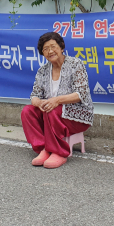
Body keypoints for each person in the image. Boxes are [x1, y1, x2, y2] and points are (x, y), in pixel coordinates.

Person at [21, 32, 94, 168]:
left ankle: (58, 152)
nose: (50, 51)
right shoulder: (42, 71)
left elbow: (81, 94)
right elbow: (34, 95)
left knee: (52, 109)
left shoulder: (75, 64)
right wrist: (37, 102)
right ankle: (44, 148)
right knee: (27, 111)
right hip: (51, 113)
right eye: (45, 49)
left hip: (78, 114)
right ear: (42, 53)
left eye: (53, 46)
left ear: (61, 47)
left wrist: (57, 100)